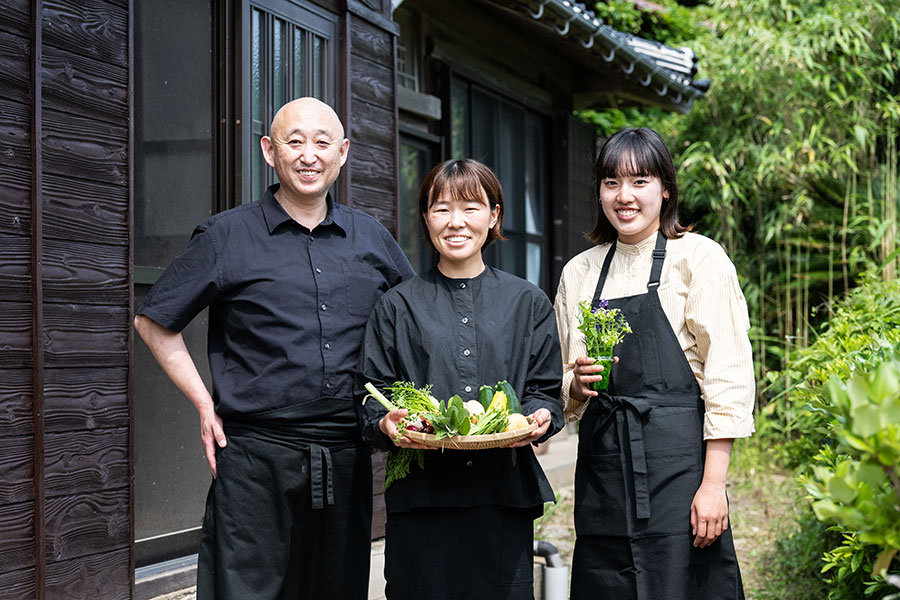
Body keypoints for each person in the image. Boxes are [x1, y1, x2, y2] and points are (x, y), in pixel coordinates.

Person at [133, 97, 414, 600]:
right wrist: (203, 404)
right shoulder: (226, 235)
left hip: (346, 451)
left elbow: (417, 322)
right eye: (294, 141)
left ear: (343, 153)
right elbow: (154, 321)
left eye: (323, 143)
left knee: (336, 589)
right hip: (254, 456)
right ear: (269, 150)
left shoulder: (370, 238)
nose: (309, 155)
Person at [554, 127, 755, 599]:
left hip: (679, 471)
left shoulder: (699, 258)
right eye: (611, 182)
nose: (624, 196)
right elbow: (561, 379)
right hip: (603, 473)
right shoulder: (579, 271)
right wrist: (575, 387)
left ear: (665, 188)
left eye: (639, 181)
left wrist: (713, 485)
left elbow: (728, 380)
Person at [357, 159, 564, 600]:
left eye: (471, 208)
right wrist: (385, 422)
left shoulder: (528, 302)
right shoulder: (396, 306)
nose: (456, 223)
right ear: (426, 218)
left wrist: (538, 416)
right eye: (441, 209)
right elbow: (369, 394)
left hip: (502, 495)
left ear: (494, 216)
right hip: (421, 498)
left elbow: (544, 390)